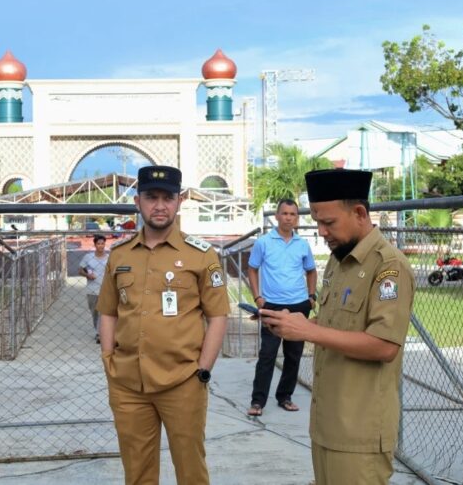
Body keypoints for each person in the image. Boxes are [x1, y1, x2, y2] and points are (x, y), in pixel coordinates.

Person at [260, 169, 415, 484]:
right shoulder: (338, 260)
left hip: (359, 431)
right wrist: (294, 324)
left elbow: (384, 346)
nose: (321, 232)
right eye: (317, 222)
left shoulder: (389, 266)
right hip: (327, 423)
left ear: (359, 213)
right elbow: (335, 326)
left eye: (328, 223)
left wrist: (307, 331)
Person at [97, 165, 230, 485]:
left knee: (190, 468)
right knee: (137, 471)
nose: (159, 205)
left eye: (167, 197)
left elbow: (217, 316)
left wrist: (204, 369)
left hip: (182, 381)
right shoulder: (119, 255)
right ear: (137, 202)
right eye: (151, 197)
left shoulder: (201, 255)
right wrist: (108, 359)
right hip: (129, 383)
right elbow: (109, 311)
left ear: (179, 201)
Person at [246, 199, 317, 416]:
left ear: (297, 218)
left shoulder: (302, 245)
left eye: (293, 214)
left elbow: (311, 271)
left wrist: (311, 297)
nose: (288, 218)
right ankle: (258, 401)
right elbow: (252, 269)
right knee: (267, 353)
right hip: (272, 306)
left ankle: (285, 397)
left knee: (293, 354)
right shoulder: (264, 242)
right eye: (284, 213)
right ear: (276, 216)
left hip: (298, 306)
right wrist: (258, 298)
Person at [79, 234, 108, 343]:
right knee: (95, 312)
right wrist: (87, 275)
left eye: (102, 243)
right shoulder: (88, 257)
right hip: (92, 290)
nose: (101, 246)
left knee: (104, 312)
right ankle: (97, 330)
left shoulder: (109, 258)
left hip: (106, 290)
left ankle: (101, 334)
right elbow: (80, 270)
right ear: (95, 245)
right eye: (98, 244)